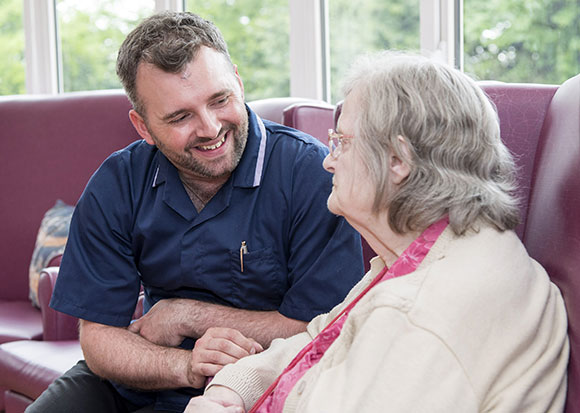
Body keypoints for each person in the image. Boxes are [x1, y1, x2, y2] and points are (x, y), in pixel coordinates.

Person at [185, 50, 570, 413]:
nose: (328, 162)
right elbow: (320, 339)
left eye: (341, 143)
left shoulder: (418, 309)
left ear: (397, 160)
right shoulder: (434, 254)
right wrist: (230, 387)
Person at [27, 11, 363, 413]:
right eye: (180, 116)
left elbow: (326, 328)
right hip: (145, 378)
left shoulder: (310, 173)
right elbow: (99, 339)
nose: (210, 128)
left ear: (238, 82)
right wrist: (187, 366)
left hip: (267, 382)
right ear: (143, 127)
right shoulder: (118, 182)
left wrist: (185, 316)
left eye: (220, 100)